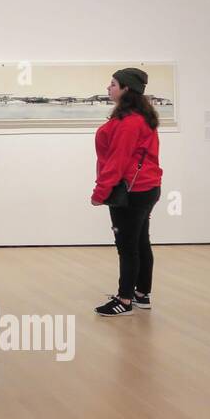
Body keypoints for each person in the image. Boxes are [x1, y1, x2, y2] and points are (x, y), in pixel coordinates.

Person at [90, 67, 163, 317]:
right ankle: (142, 295)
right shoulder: (141, 117)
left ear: (126, 89)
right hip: (146, 188)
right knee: (140, 242)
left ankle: (124, 300)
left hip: (130, 191)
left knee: (127, 246)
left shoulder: (129, 123)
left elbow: (117, 162)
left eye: (113, 84)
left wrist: (100, 193)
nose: (108, 88)